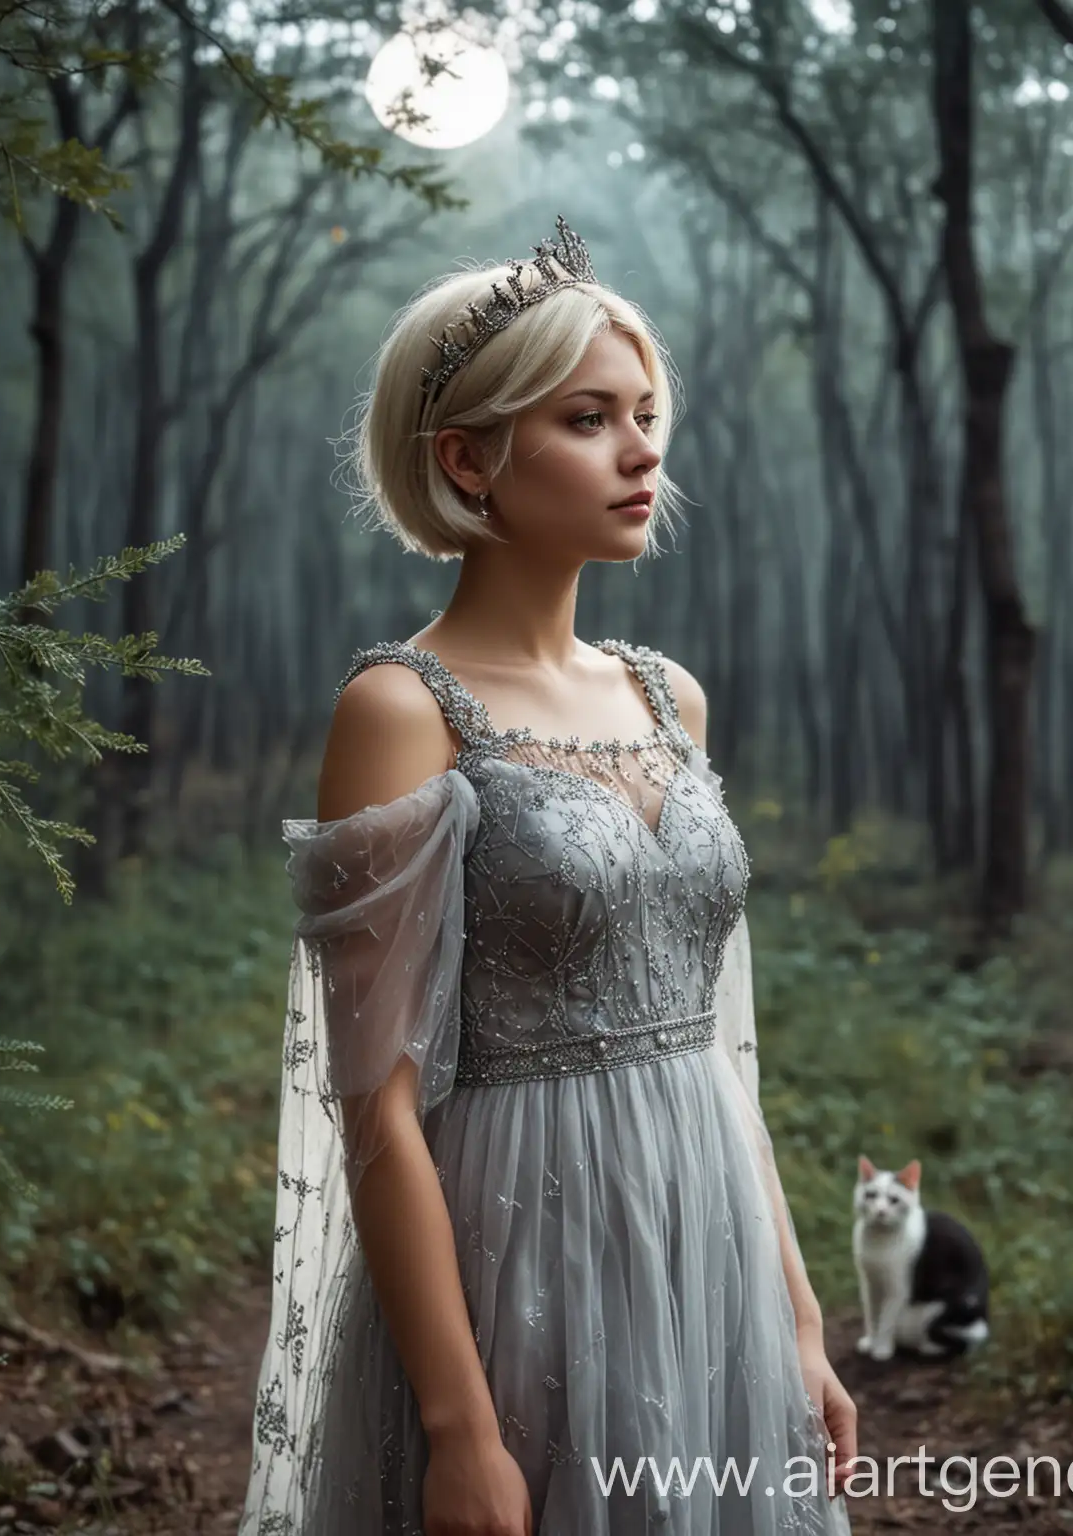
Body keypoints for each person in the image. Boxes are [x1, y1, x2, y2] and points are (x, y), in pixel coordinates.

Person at [240, 215, 857, 1535]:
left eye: (646, 413)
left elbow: (714, 1045)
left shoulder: (668, 696)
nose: (643, 451)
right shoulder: (402, 711)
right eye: (589, 418)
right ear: (467, 456)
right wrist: (460, 1426)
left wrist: (797, 1317)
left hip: (711, 1235)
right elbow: (377, 1107)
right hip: (521, 1244)